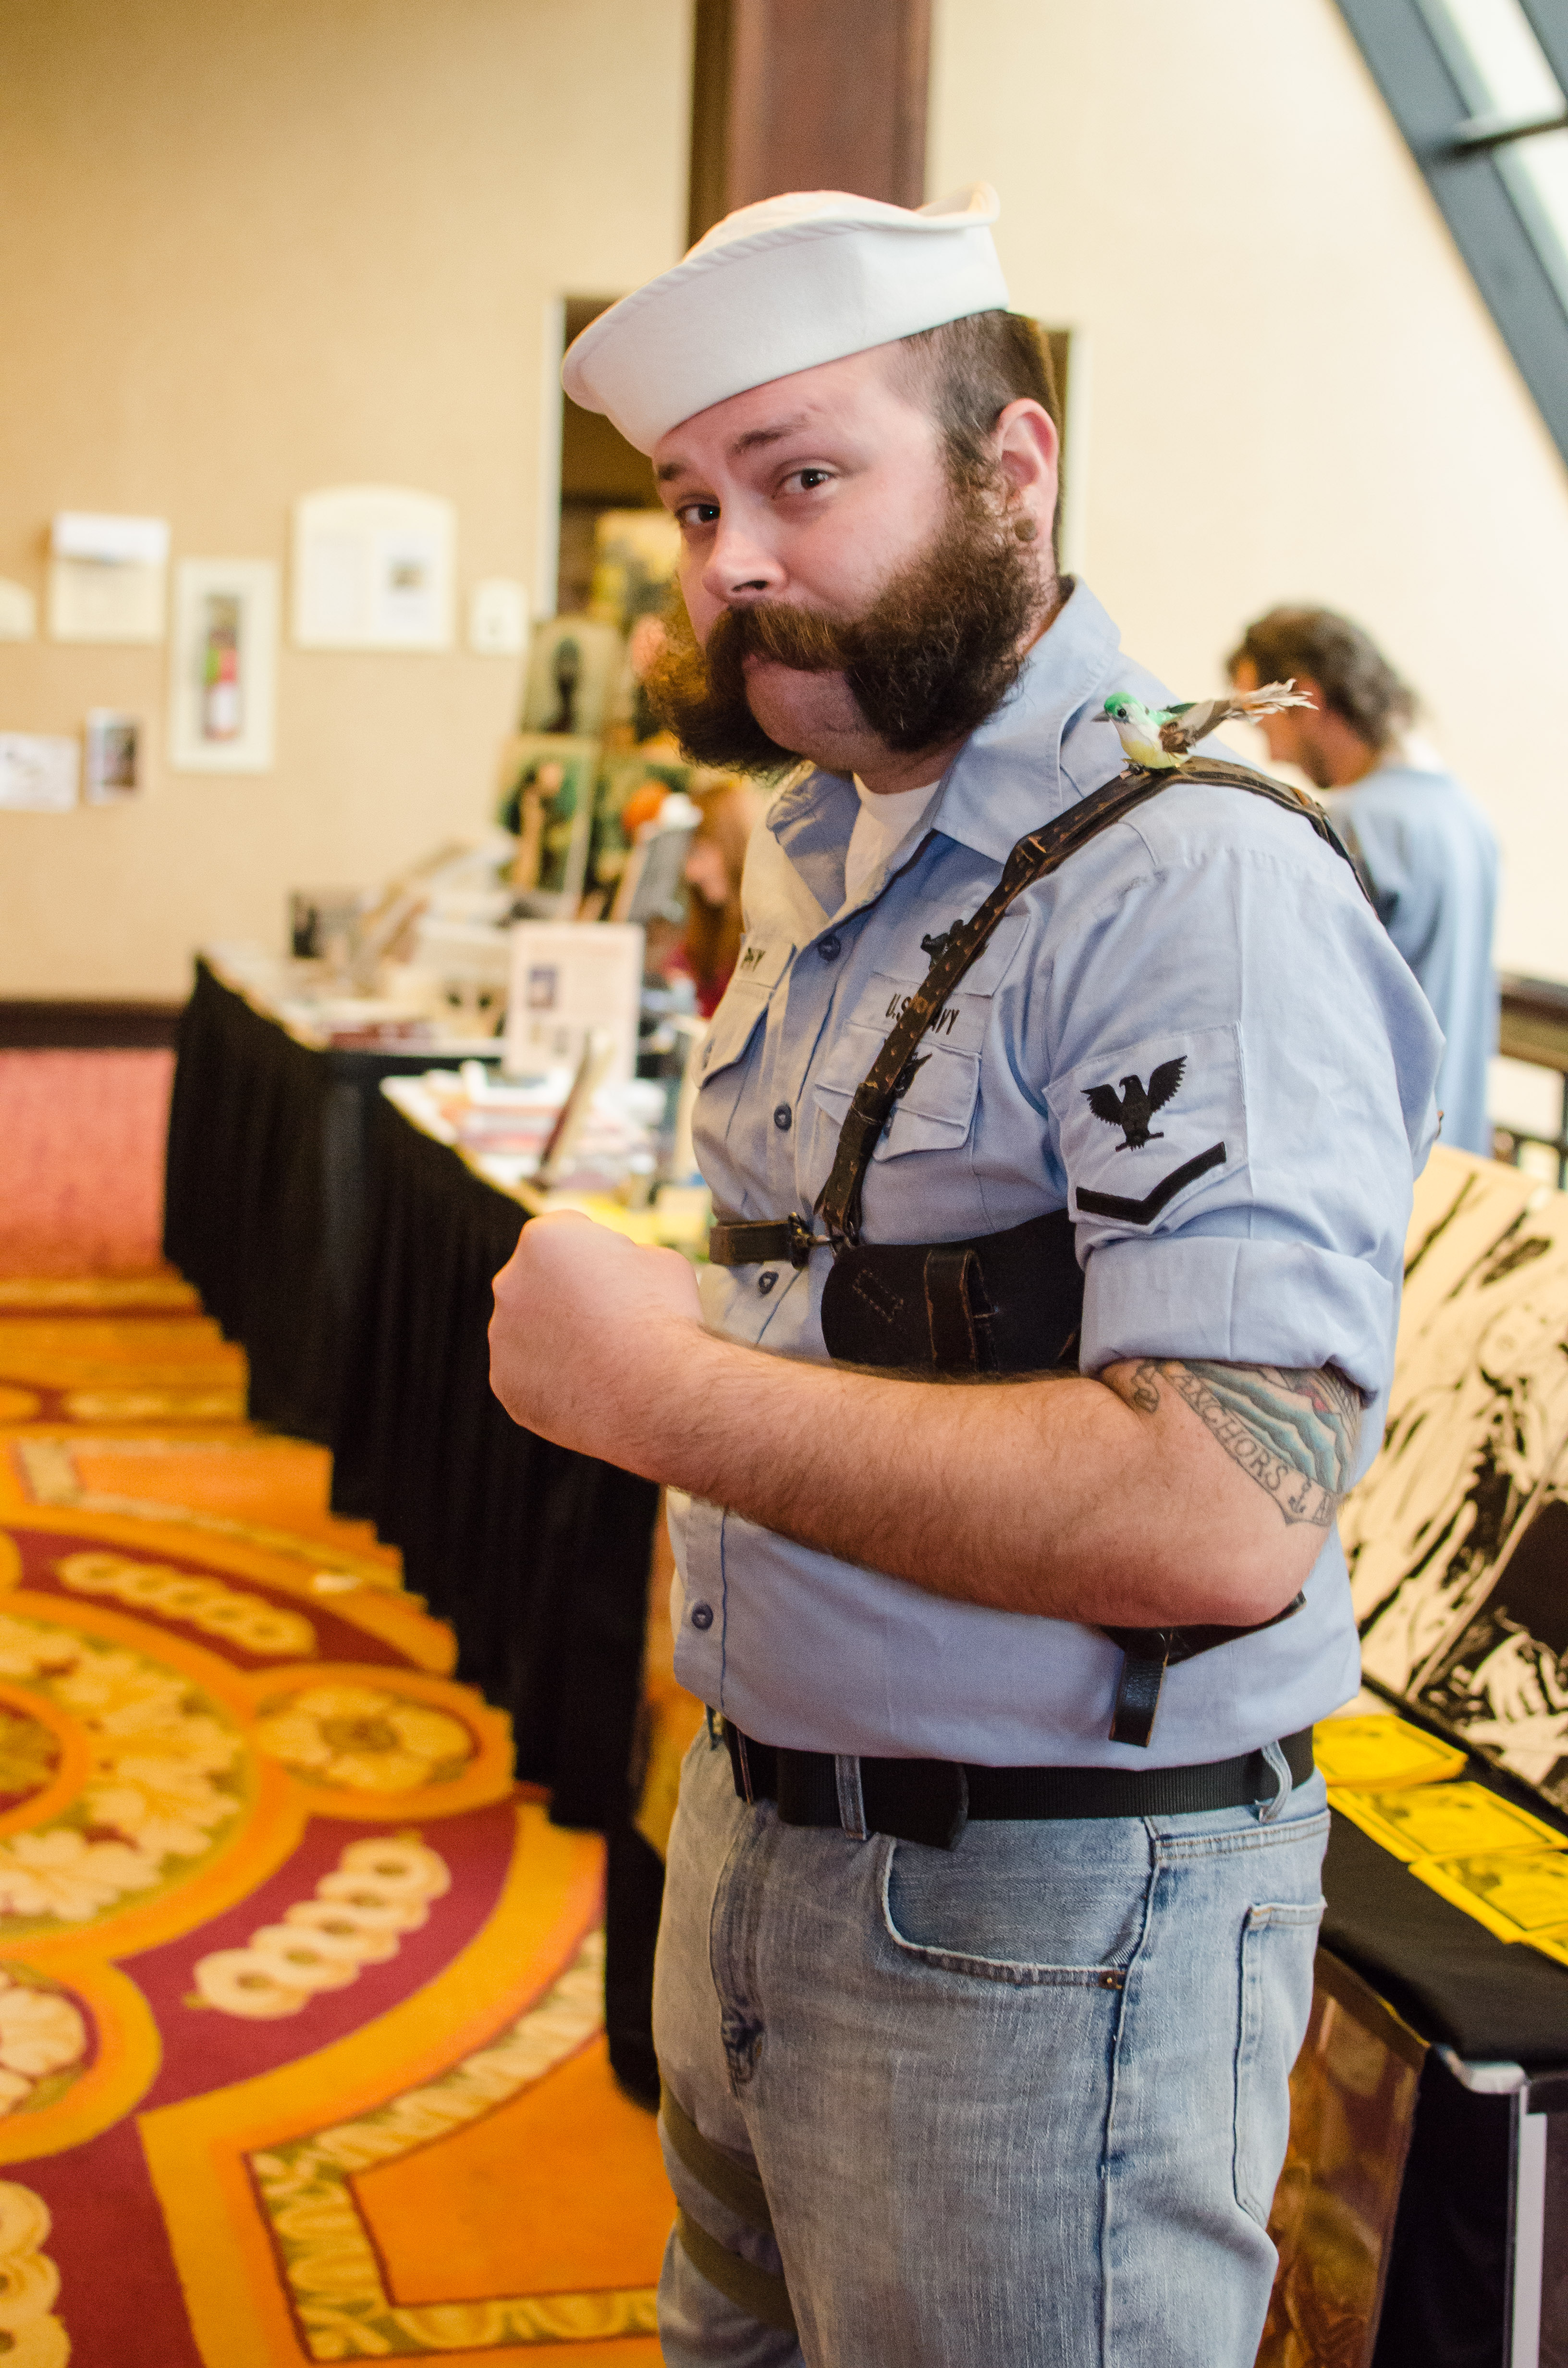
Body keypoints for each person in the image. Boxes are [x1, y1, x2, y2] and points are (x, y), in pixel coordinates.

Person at [488, 184, 1442, 2367]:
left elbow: (1222, 1511)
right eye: (695, 503)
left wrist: (660, 1391)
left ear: (1014, 468)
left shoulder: (1183, 883)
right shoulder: (838, 847)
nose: (729, 560)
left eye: (800, 478)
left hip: (1041, 1917)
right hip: (765, 1832)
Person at [1229, 606, 1499, 1156]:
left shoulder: (1350, 827)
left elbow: (1292, 1020)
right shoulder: (1467, 818)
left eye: (1266, 722)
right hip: (1456, 1150)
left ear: (1306, 697)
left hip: (1381, 1160)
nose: (1272, 753)